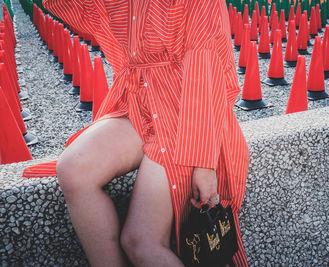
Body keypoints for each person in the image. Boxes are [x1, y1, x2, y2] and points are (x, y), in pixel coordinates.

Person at [23, 0, 250, 266]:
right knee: (73, 169)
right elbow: (74, 9)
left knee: (140, 242)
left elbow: (206, 67)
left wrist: (204, 163)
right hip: (138, 104)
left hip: (188, 116)